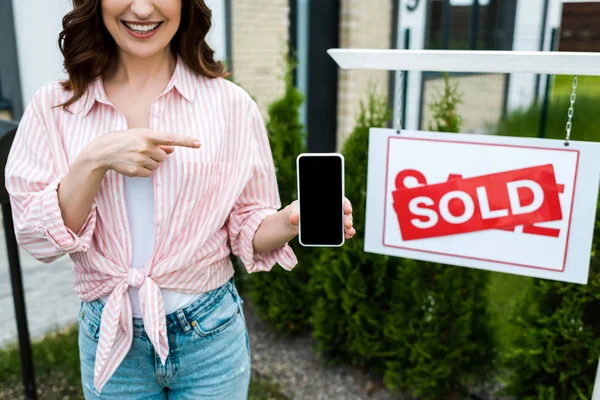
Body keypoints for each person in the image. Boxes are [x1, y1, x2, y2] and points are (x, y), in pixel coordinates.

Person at [4, 0, 356, 398]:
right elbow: (36, 238)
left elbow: (246, 222)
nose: (141, 9)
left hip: (209, 333)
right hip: (111, 331)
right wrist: (95, 159)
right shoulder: (54, 107)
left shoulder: (230, 105)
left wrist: (290, 222)